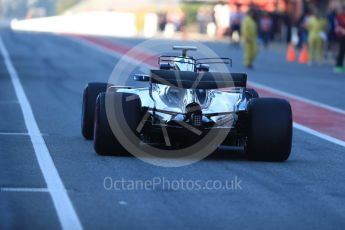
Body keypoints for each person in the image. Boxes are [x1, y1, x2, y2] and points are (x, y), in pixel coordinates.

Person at [335, 5, 345, 73]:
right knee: (341, 51)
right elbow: (337, 27)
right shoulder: (340, 17)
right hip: (342, 37)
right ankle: (338, 66)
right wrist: (342, 30)